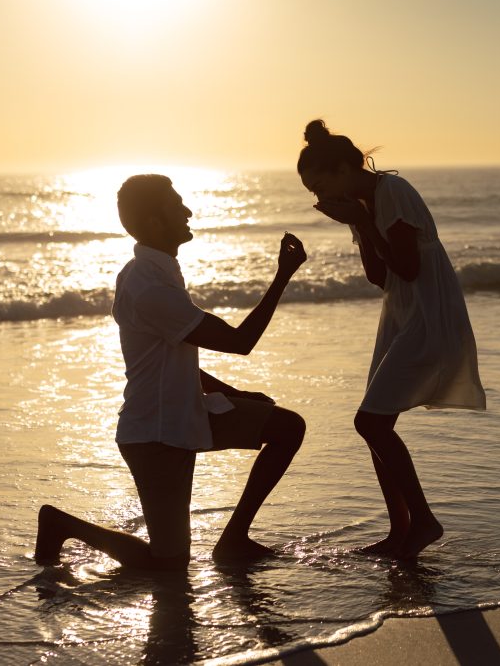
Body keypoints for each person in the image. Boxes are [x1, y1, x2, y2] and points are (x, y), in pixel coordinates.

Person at [35, 173, 308, 569]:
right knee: (168, 564)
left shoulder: (160, 271)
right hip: (155, 434)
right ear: (153, 223)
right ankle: (61, 524)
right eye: (175, 206)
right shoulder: (148, 286)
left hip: (186, 414)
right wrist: (283, 274)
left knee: (287, 428)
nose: (188, 211)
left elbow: (176, 358)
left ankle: (234, 539)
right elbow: (239, 342)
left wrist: (236, 394)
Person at [297, 120, 486, 559]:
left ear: (346, 167)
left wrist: (364, 219)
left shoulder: (391, 193)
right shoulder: (361, 204)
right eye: (313, 192)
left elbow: (408, 266)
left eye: (321, 185)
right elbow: (378, 276)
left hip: (427, 311)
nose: (320, 199)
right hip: (401, 312)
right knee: (378, 422)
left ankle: (422, 521)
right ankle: (401, 527)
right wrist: (361, 225)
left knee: (371, 421)